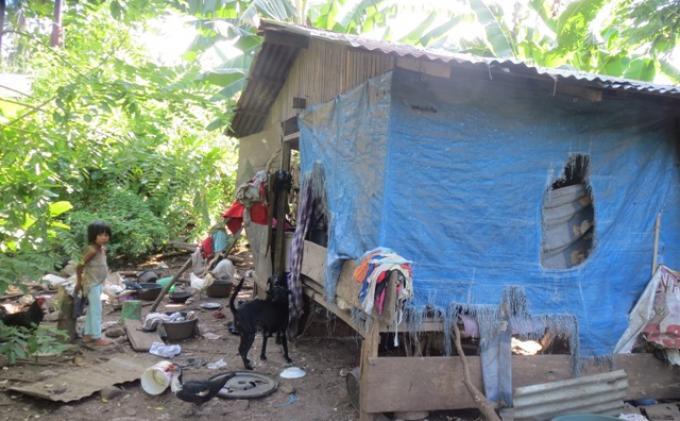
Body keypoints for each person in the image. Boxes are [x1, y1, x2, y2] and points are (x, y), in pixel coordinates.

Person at [75, 221, 113, 346]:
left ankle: (87, 334)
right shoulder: (92, 250)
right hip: (91, 283)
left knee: (92, 309)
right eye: (101, 235)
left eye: (106, 235)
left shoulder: (102, 249)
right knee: (97, 310)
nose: (104, 237)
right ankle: (97, 337)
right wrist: (79, 281)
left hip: (98, 282)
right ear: (93, 236)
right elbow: (79, 265)